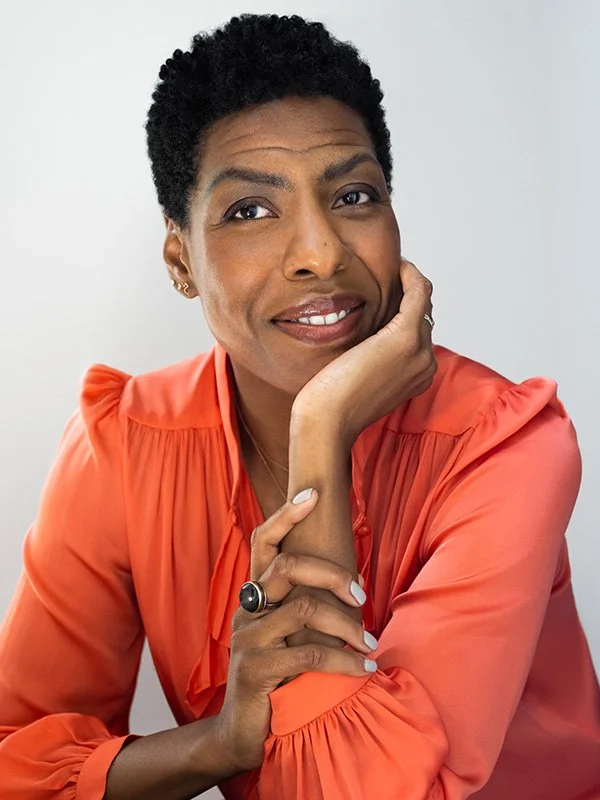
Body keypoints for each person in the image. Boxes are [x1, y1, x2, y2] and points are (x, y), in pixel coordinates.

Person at [0, 12, 598, 800]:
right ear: (182, 260)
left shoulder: (508, 445)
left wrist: (319, 427)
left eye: (353, 195)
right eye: (250, 210)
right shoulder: (125, 445)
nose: (320, 252)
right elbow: (17, 760)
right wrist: (215, 746)